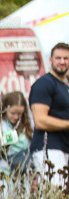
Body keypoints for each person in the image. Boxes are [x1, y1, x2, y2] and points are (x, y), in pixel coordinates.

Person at [29, 43, 69, 189]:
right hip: (48, 149)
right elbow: (40, 121)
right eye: (58, 58)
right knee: (57, 195)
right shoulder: (44, 84)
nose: (62, 62)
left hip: (63, 148)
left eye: (66, 58)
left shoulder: (64, 87)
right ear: (50, 60)